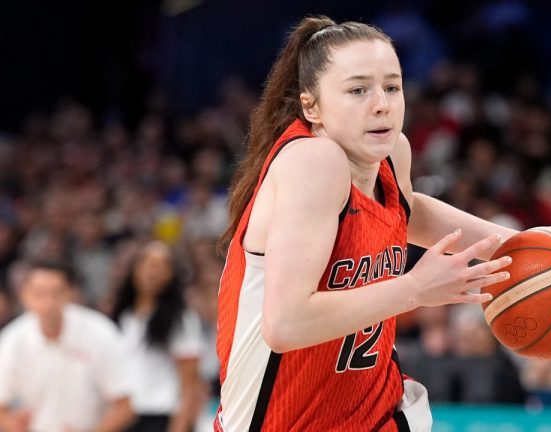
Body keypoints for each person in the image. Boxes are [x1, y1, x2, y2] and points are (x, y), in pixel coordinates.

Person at [215, 16, 518, 431]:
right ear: (311, 106)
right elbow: (286, 324)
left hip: (374, 412)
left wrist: (521, 243)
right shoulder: (313, 162)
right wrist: (415, 289)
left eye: (392, 87)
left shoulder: (392, 154)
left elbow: (408, 209)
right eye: (358, 90)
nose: (382, 104)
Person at [0, 261, 134, 432]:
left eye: (56, 293)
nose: (48, 303)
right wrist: (14, 425)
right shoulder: (12, 340)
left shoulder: (100, 332)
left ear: (70, 293)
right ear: (24, 295)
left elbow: (125, 406)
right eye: (39, 294)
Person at [110, 241, 205, 432]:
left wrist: (179, 427)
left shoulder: (182, 319)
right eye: (146, 262)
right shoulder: (123, 316)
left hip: (160, 416)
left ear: (171, 273)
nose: (151, 270)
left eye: (161, 265)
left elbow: (190, 384)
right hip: (123, 416)